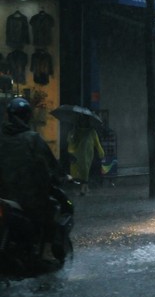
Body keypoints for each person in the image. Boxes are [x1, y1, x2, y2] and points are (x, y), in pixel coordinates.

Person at [0, 97, 63, 264]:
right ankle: (46, 252)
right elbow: (51, 164)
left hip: (4, 195)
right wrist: (61, 176)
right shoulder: (33, 139)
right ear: (27, 117)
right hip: (26, 198)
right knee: (50, 210)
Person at [67, 114, 105, 196]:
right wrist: (72, 133)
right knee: (80, 171)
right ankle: (84, 188)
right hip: (76, 155)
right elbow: (70, 141)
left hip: (87, 155)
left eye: (84, 120)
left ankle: (83, 188)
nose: (83, 122)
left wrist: (101, 152)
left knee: (85, 170)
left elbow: (97, 143)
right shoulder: (76, 131)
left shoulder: (92, 132)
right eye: (81, 120)